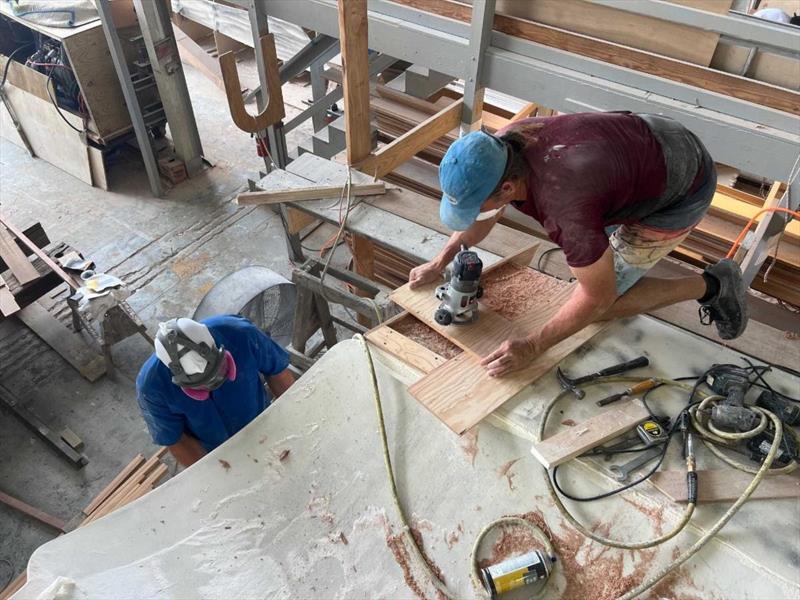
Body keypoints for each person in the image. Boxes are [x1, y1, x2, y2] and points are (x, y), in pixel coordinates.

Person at [409, 112, 748, 377]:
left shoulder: (564, 208)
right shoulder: (498, 150)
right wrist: (440, 262)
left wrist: (532, 345)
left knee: (599, 307)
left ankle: (714, 285)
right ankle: (616, 215)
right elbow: (479, 222)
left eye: (475, 204)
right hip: (639, 147)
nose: (473, 213)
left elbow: (597, 298)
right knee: (589, 274)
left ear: (508, 189)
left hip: (682, 184)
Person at [136, 315, 295, 466]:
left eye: (219, 371)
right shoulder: (152, 387)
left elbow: (277, 372)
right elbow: (177, 440)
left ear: (219, 349)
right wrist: (217, 473)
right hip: (213, 448)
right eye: (201, 386)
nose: (215, 384)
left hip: (262, 420)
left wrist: (294, 419)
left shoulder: (242, 334)